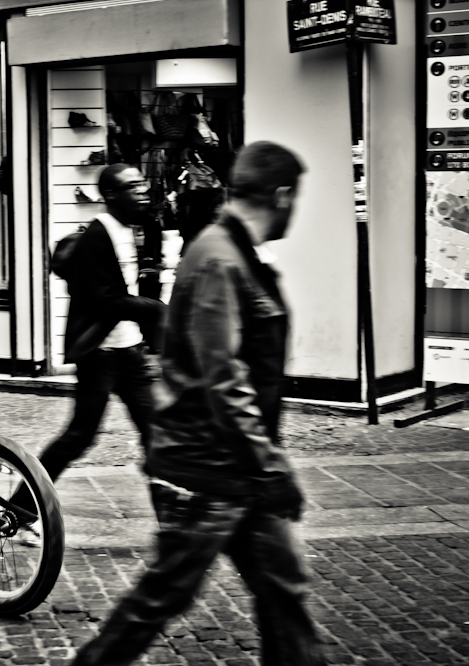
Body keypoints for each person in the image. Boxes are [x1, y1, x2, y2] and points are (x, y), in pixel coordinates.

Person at [70, 142, 325, 666]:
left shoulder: (234, 252)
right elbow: (222, 377)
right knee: (162, 597)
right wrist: (272, 465)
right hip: (210, 471)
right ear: (281, 195)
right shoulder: (218, 258)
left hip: (235, 469)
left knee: (283, 591)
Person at [23, 164, 165, 504]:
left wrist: (152, 341)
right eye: (133, 186)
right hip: (100, 356)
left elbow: (139, 283)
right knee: (80, 435)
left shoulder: (138, 229)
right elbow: (108, 301)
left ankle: (172, 518)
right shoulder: (98, 237)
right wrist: (159, 311)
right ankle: (23, 509)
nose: (142, 190)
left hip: (131, 352)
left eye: (142, 183)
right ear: (111, 195)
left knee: (158, 432)